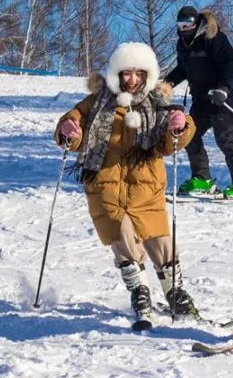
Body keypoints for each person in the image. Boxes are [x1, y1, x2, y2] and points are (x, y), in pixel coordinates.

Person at [55, 42, 198, 324]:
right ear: (116, 74)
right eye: (126, 73)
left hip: (146, 185)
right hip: (105, 184)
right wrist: (68, 129)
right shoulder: (97, 101)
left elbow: (170, 144)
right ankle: (139, 290)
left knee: (160, 240)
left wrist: (181, 126)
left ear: (147, 75)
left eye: (138, 74)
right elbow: (73, 122)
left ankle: (176, 293)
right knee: (121, 235)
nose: (132, 80)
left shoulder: (158, 101)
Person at [163, 5, 233, 199]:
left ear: (197, 22)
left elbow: (232, 64)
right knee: (190, 135)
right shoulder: (182, 44)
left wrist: (224, 88)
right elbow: (183, 69)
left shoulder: (214, 38)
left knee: (224, 139)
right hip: (200, 100)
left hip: (222, 98)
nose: (185, 28)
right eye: (181, 24)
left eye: (188, 23)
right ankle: (202, 178)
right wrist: (166, 84)